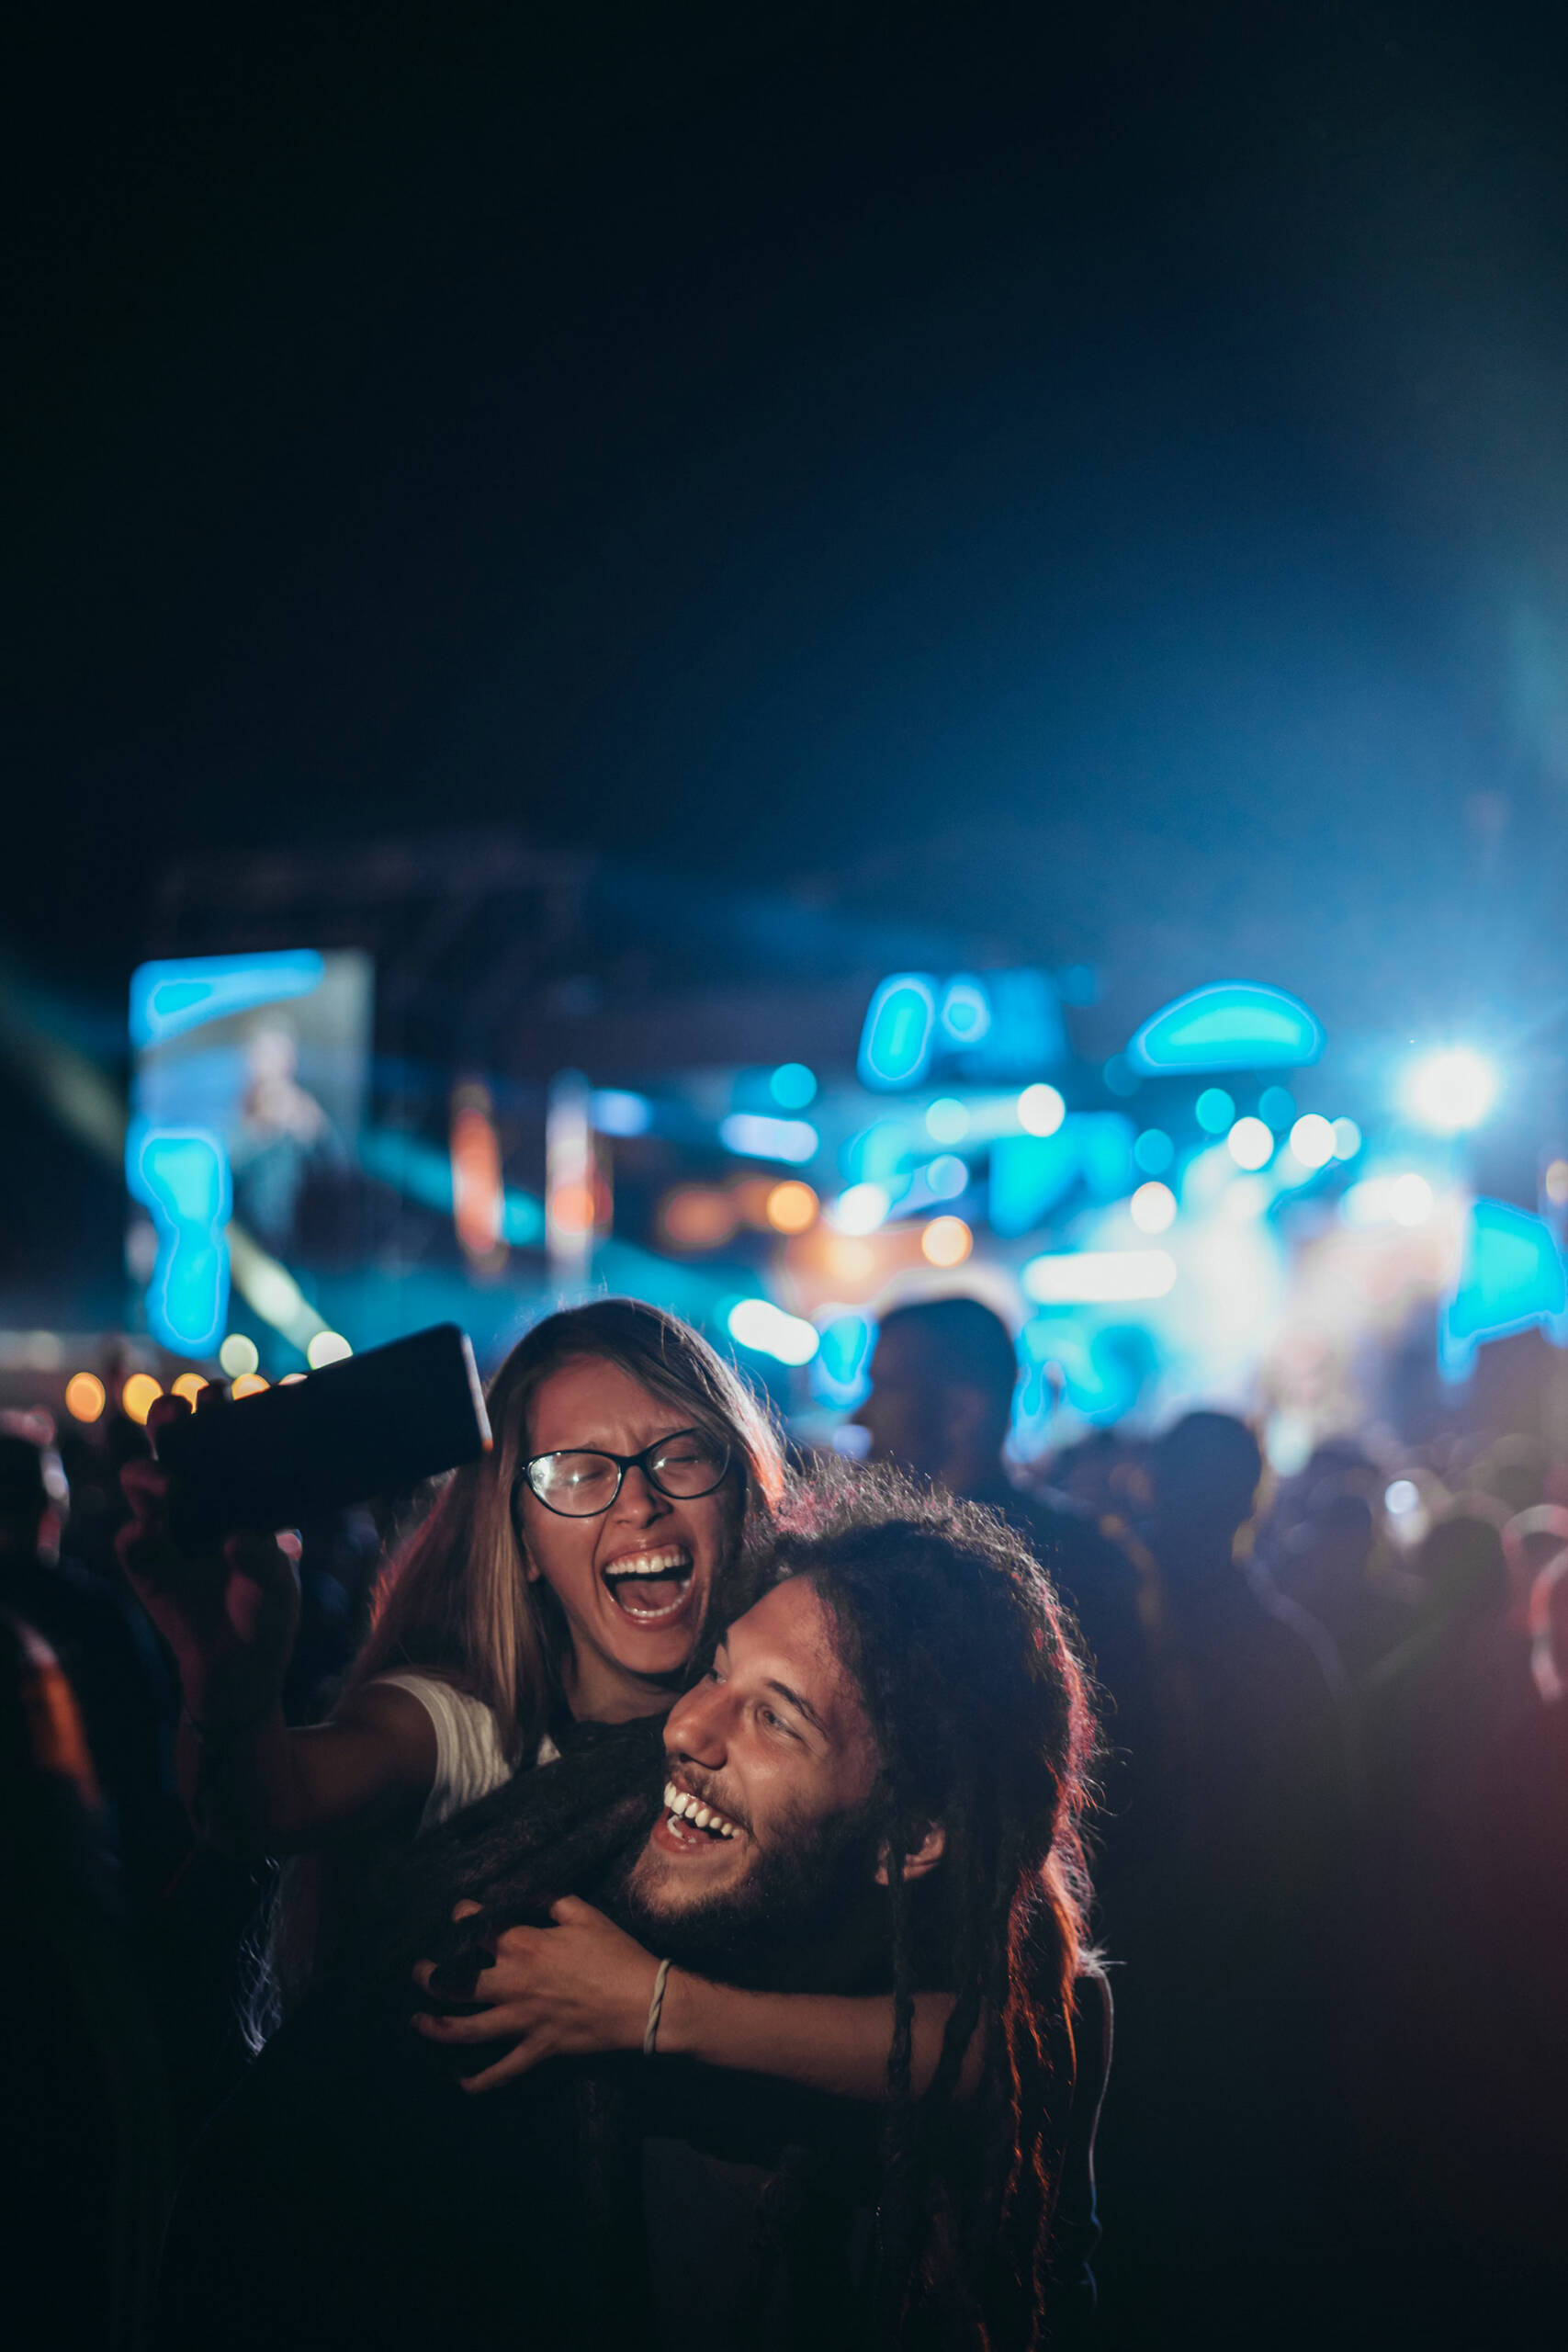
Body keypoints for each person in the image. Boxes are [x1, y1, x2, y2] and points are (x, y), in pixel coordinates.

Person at [154, 1465, 1106, 2351]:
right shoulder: (509, 1956)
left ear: (910, 1842)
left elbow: (1005, 2064)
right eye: (716, 1671)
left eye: (777, 1716)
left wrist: (656, 2009)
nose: (689, 1729)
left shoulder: (1020, 2024)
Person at [117, 1298, 784, 2014]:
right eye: (577, 1472)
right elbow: (259, 1808)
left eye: (679, 1456)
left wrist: (663, 2012)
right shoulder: (475, 1734)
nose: (638, 1502)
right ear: (523, 1542)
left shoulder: (817, 1709)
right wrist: (229, 1686)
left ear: (739, 1492)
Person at [852, 1295, 1156, 1884]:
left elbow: (1128, 1785)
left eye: (884, 1387)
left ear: (961, 1410)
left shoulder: (916, 1564)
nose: (861, 1417)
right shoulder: (1099, 1556)